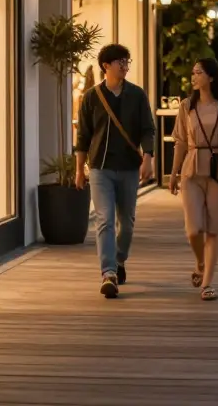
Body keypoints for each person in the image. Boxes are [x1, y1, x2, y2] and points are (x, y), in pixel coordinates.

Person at [74, 44, 155, 299]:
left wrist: (148, 157)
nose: (125, 65)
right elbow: (83, 136)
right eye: (120, 61)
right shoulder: (92, 97)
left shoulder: (137, 94)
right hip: (100, 168)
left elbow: (147, 129)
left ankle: (119, 259)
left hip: (130, 167)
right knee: (104, 220)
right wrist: (79, 169)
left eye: (127, 61)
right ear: (106, 66)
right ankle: (108, 273)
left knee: (127, 223)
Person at [168, 59, 218, 302]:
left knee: (213, 230)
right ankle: (200, 261)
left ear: (211, 77)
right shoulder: (186, 106)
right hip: (191, 170)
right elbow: (180, 142)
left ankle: (207, 284)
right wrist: (172, 174)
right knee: (193, 229)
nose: (193, 77)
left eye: (199, 73)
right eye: (192, 73)